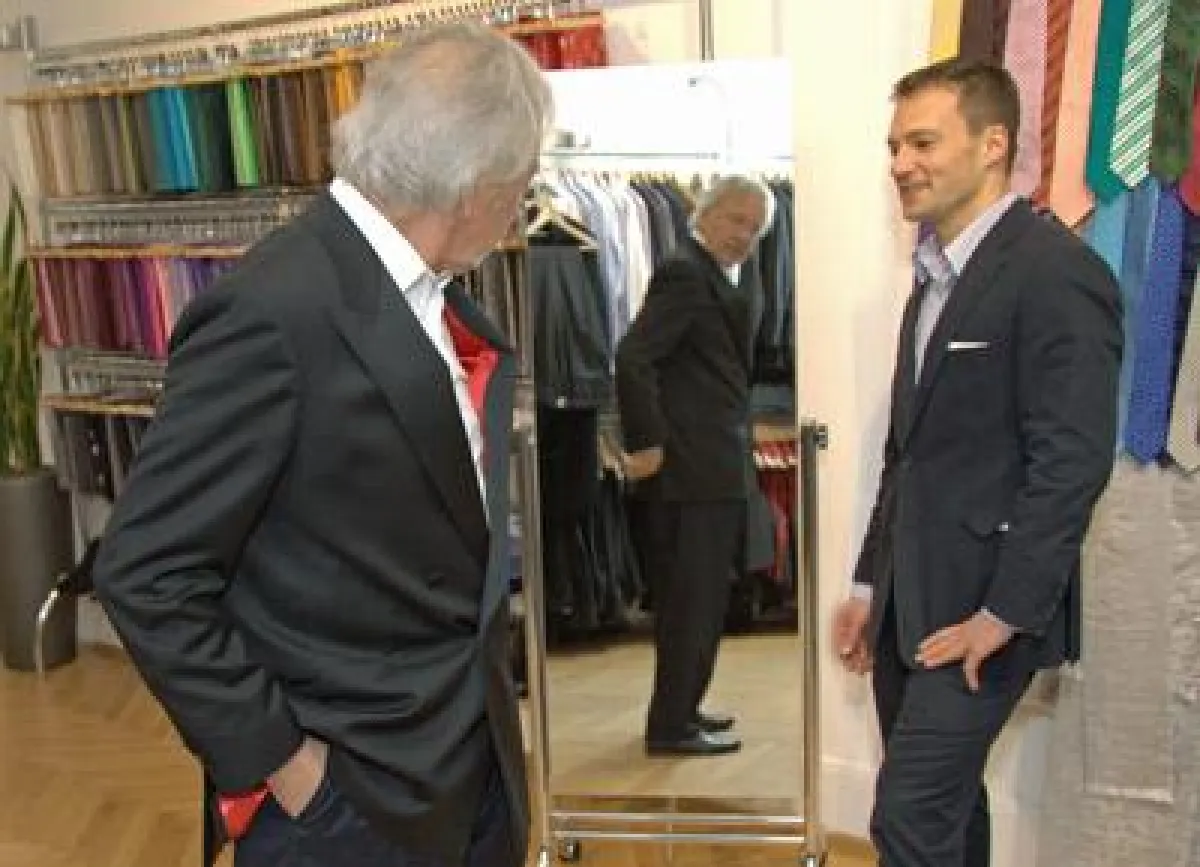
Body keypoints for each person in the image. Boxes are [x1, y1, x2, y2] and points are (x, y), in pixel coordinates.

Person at [91, 23, 551, 867]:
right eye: (520, 178)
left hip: (460, 773)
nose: (523, 199)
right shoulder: (273, 311)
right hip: (350, 808)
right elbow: (145, 570)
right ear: (473, 184)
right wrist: (285, 765)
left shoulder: (434, 298)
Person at [832, 59, 1122, 867]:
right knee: (948, 815)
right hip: (905, 607)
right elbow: (908, 456)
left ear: (994, 144)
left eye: (922, 141)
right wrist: (866, 585)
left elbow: (1072, 461)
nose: (899, 163)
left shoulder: (1058, 273)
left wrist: (1005, 613)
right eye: (893, 145)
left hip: (983, 616)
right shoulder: (933, 278)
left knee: (907, 817)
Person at [615, 175, 775, 756]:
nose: (745, 237)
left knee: (704, 600)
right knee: (690, 602)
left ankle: (683, 710)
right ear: (705, 214)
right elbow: (633, 355)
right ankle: (671, 725)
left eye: (755, 229)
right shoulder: (685, 271)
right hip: (689, 471)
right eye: (737, 221)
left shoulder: (712, 274)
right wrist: (648, 442)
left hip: (712, 466)